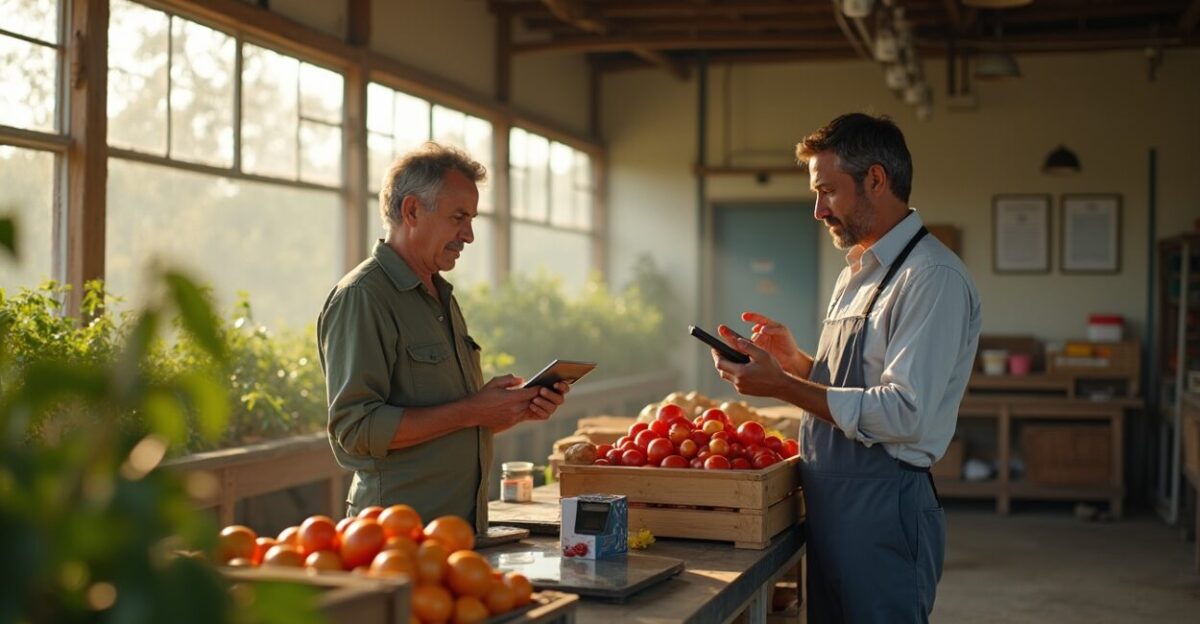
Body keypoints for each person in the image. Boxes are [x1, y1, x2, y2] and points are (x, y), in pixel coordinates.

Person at [710, 113, 981, 623]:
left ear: (875, 180)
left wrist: (785, 386)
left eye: (828, 191)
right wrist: (800, 364)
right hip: (832, 507)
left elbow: (904, 414)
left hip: (885, 510)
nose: (817, 210)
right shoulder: (857, 272)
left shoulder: (931, 278)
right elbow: (857, 386)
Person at [318, 142, 569, 534]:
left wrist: (509, 410)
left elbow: (446, 419)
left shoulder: (440, 296)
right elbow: (355, 429)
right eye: (458, 218)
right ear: (412, 210)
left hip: (459, 535)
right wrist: (474, 410)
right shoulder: (363, 297)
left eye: (471, 220)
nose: (468, 235)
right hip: (396, 541)